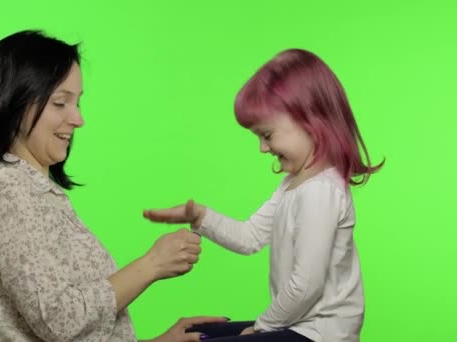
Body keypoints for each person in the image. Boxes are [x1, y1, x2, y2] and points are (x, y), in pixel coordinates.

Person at [0, 30, 226, 342]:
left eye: (77, 102)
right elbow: (57, 320)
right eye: (60, 103)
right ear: (16, 103)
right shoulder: (8, 193)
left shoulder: (34, 191)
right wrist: (152, 264)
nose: (78, 119)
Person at [143, 49, 384, 342]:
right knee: (194, 335)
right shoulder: (293, 184)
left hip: (321, 334)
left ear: (311, 121)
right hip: (297, 324)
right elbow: (250, 237)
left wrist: (260, 327)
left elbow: (306, 285)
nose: (262, 148)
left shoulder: (321, 192)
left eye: (266, 135)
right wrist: (200, 217)